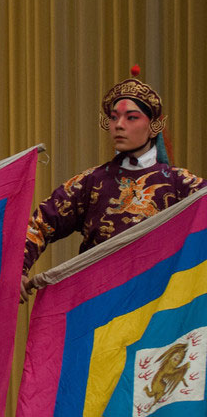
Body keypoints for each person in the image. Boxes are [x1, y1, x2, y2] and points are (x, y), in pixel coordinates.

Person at [20, 70, 204, 302]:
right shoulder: (91, 182)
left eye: (131, 117)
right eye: (114, 118)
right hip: (98, 303)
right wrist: (18, 270)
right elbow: (40, 225)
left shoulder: (179, 184)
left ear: (153, 126)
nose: (119, 125)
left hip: (157, 305)